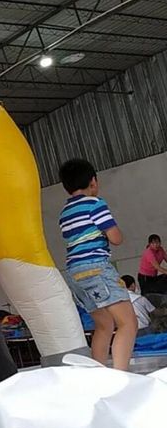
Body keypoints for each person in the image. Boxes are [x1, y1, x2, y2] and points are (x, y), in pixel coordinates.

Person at [58, 159, 137, 371]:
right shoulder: (95, 203)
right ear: (93, 181)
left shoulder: (65, 212)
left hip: (74, 272)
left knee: (104, 325)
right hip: (96, 267)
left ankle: (98, 375)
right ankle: (121, 376)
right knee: (128, 323)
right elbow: (116, 238)